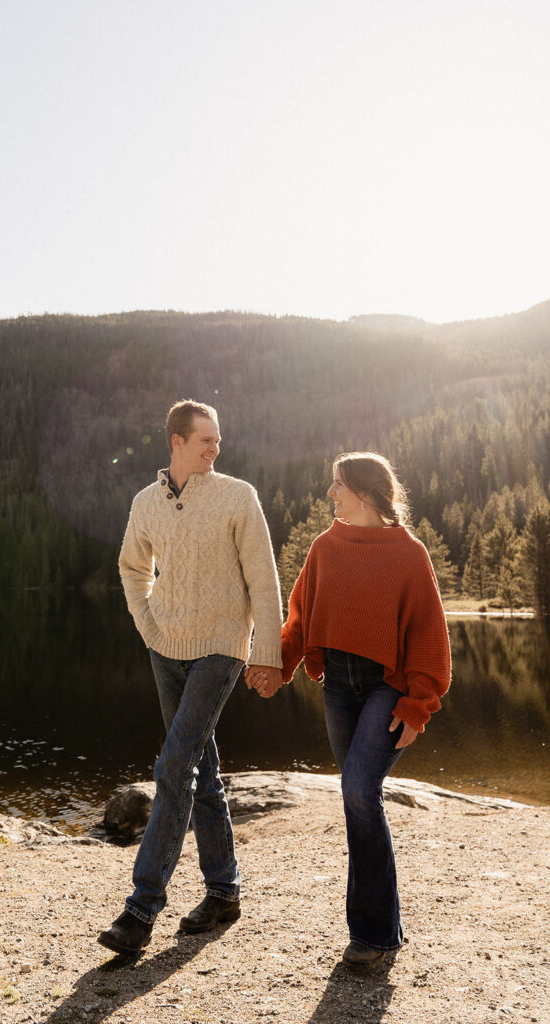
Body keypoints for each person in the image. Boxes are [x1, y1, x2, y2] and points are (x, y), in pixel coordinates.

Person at [246, 451, 451, 966]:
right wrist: (276, 663)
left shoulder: (409, 553)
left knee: (360, 789)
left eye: (337, 485)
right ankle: (383, 929)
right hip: (338, 684)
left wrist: (417, 705)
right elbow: (300, 617)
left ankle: (374, 936)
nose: (330, 494)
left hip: (387, 685)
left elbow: (429, 634)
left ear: (364, 492)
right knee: (358, 798)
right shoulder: (325, 547)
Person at [98, 400, 283, 957]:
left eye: (218, 440)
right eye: (205, 439)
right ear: (176, 441)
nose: (215, 448)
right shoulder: (146, 503)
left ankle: (140, 908)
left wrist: (266, 652)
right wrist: (148, 621)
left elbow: (264, 577)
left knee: (175, 763)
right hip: (165, 646)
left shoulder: (236, 496)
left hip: (222, 647)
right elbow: (133, 567)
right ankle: (224, 891)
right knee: (200, 767)